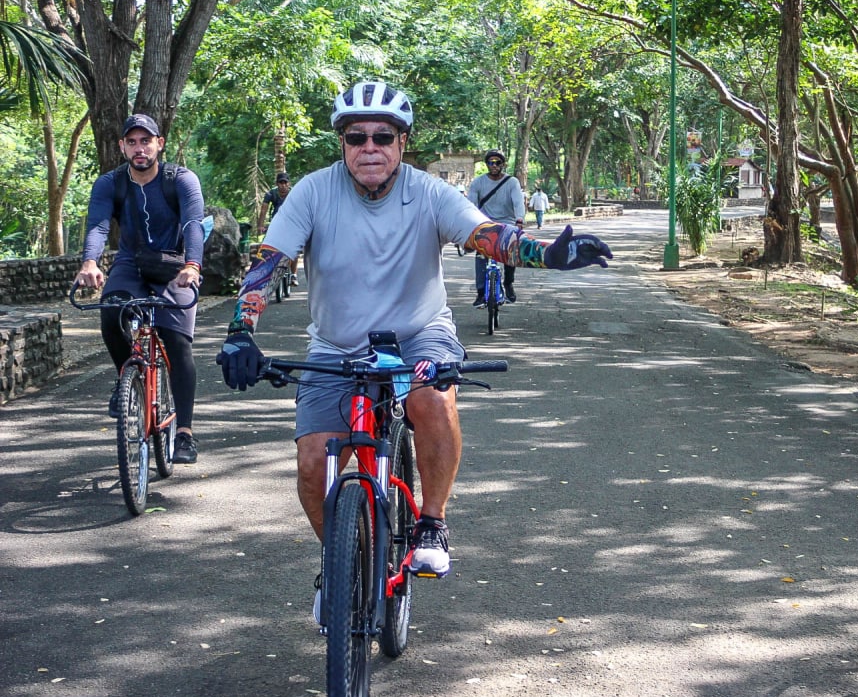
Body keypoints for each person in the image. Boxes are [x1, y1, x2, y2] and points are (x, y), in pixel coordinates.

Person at [215, 80, 612, 624]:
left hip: (420, 333)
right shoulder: (311, 192)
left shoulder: (428, 192)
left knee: (432, 400)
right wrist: (240, 330)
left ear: (402, 142)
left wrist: (549, 255)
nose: (369, 148)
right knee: (312, 465)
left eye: (383, 136)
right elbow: (269, 261)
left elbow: (486, 235)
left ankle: (432, 522)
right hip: (335, 343)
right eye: (356, 137)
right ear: (342, 143)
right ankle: (342, 564)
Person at [74, 113, 205, 464]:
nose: (139, 148)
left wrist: (192, 265)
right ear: (122, 147)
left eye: (145, 141)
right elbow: (98, 226)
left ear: (159, 143)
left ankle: (185, 433)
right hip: (130, 263)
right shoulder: (110, 183)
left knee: (177, 341)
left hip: (175, 265)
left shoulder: (181, 179)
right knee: (111, 313)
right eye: (131, 142)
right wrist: (90, 262)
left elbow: (193, 224)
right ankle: (125, 379)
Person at [467, 149, 525, 305]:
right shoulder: (478, 182)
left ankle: (508, 283)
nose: (494, 165)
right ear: (486, 164)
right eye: (491, 162)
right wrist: (468, 223)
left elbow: (518, 202)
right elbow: (470, 205)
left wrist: (519, 220)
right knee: (481, 255)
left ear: (503, 164)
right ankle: (480, 293)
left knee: (510, 252)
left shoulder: (512, 182)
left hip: (507, 223)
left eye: (497, 162)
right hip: (485, 223)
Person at [256, 172, 299, 285]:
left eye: (285, 183)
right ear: (277, 184)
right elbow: (264, 210)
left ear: (289, 184)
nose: (283, 186)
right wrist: (260, 225)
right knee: (267, 247)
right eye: (281, 183)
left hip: (292, 222)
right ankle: (267, 272)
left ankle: (293, 275)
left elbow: (301, 208)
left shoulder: (294, 193)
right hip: (276, 222)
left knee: (295, 248)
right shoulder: (271, 193)